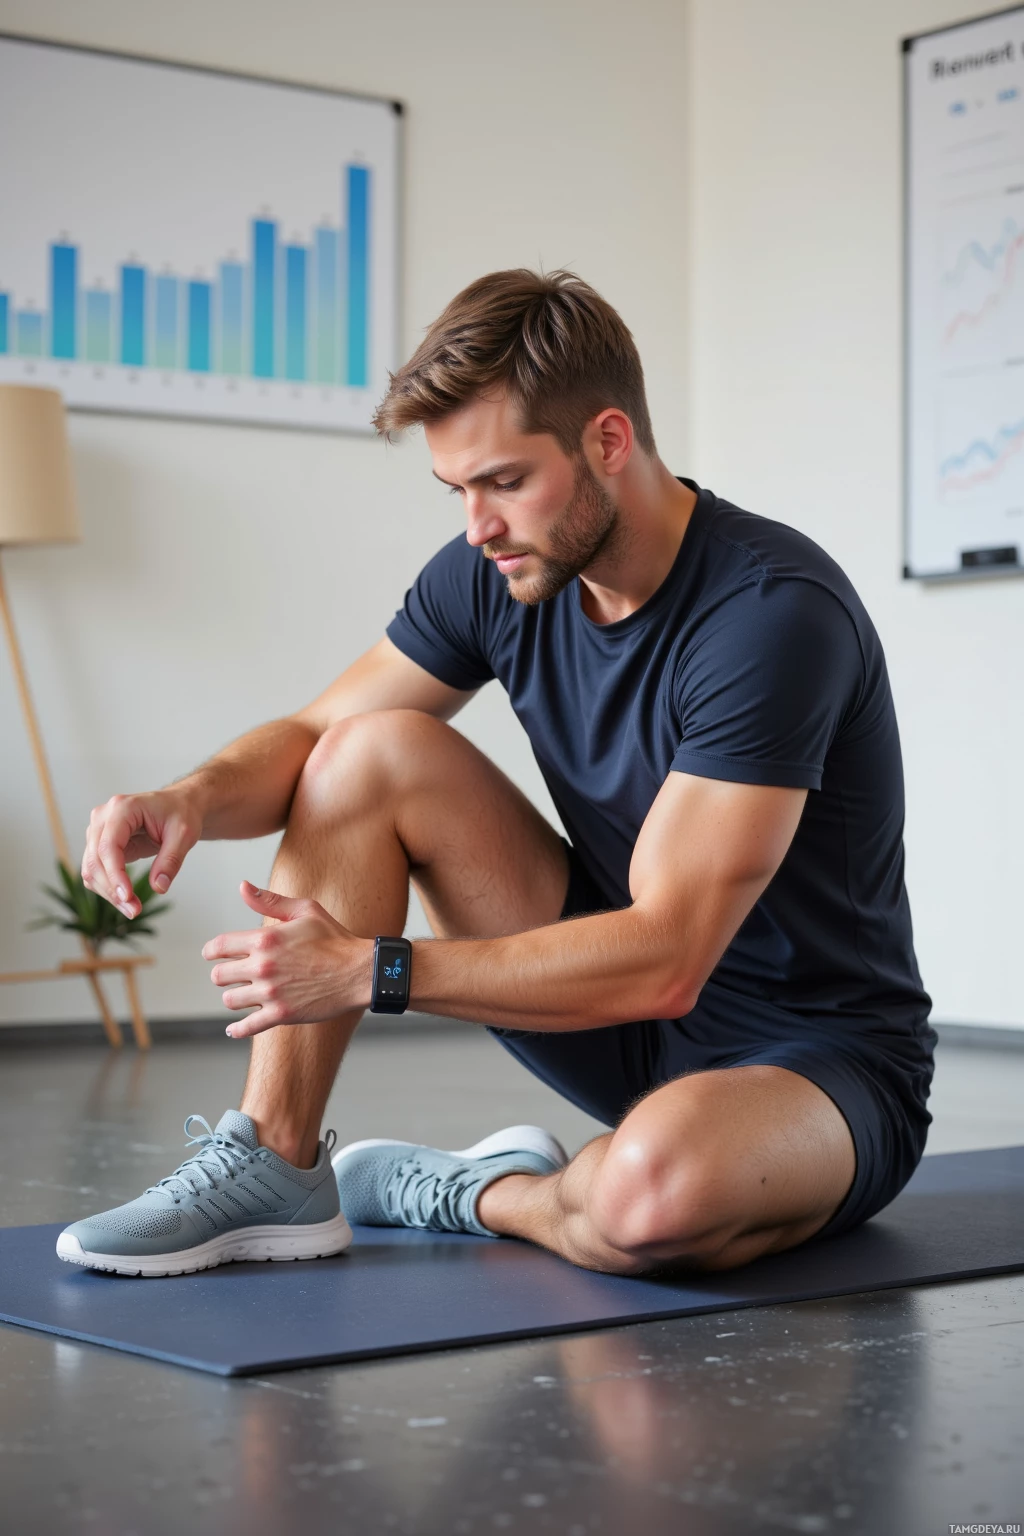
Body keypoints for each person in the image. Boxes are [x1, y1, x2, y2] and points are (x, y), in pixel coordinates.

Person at [57, 269, 935, 1281]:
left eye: (504, 481)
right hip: (618, 1025)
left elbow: (667, 956)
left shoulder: (768, 617)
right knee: (366, 751)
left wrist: (371, 968)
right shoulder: (496, 573)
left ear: (608, 441)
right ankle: (272, 1161)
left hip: (818, 1066)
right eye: (456, 491)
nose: (476, 525)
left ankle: (485, 1191)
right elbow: (311, 734)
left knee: (646, 1195)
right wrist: (190, 799)